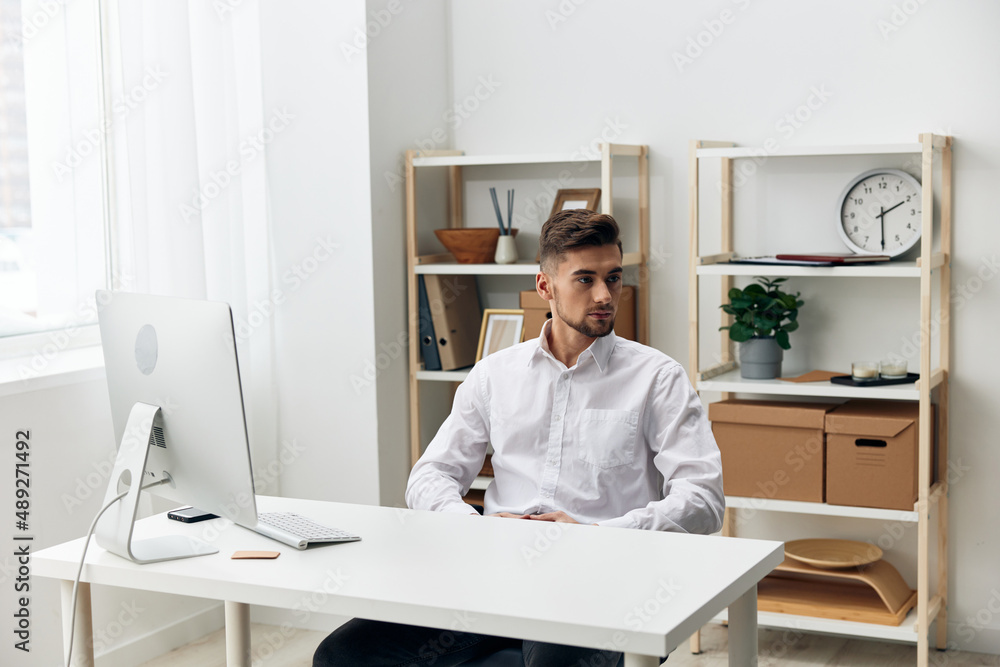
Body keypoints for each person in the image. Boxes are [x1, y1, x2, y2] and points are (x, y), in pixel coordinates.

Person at [313, 209, 724, 667]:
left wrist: (592, 535)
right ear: (545, 287)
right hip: (496, 574)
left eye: (613, 277)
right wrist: (477, 528)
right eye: (584, 280)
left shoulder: (658, 378)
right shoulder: (494, 375)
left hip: (602, 580)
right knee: (342, 654)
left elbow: (704, 499)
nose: (605, 295)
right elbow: (430, 476)